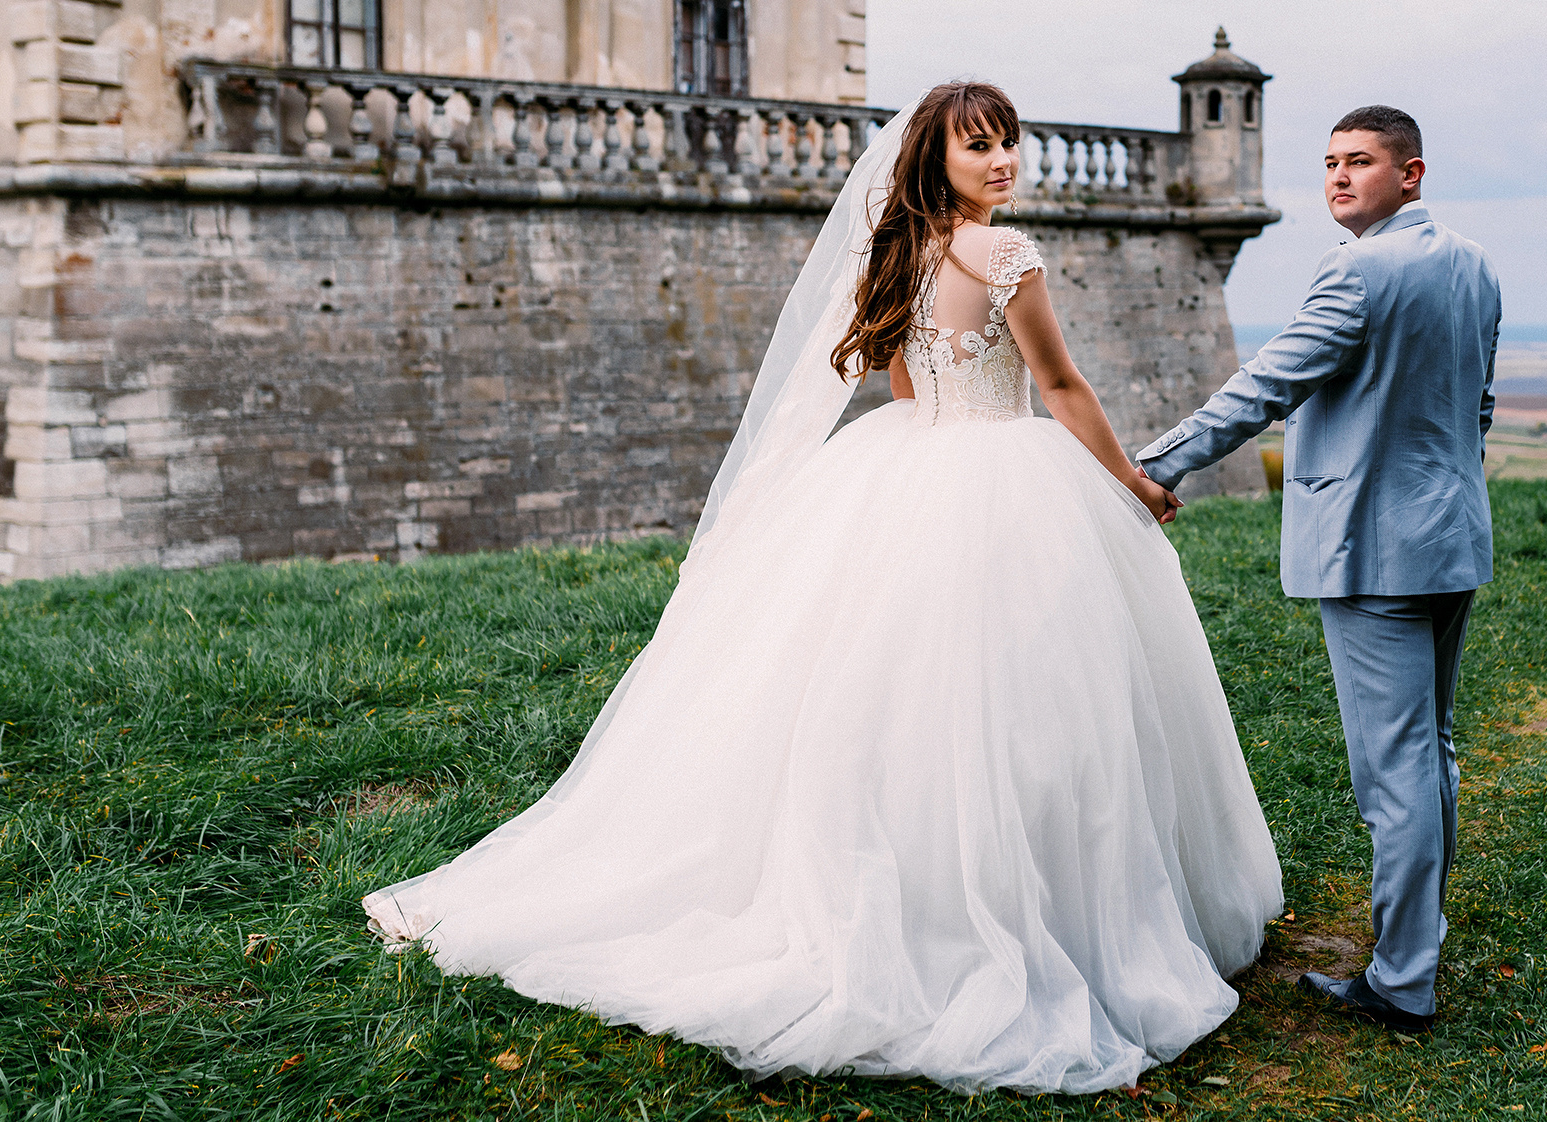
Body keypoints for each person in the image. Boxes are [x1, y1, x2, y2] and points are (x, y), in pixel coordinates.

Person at [363, 81, 1283, 1094]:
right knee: (1021, 705)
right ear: (937, 160)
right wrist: (1135, 484)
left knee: (887, 700)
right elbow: (1059, 387)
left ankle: (918, 894)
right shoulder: (1004, 254)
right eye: (978, 147)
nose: (1002, 160)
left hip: (903, 464)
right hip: (1000, 473)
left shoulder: (904, 255)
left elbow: (899, 384)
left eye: (1008, 141)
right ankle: (1024, 912)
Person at [1136, 105, 1500, 1035]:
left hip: (1375, 551)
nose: (1339, 179)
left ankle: (1402, 978)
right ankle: (1414, 949)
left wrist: (1151, 465)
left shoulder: (1359, 270)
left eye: (1362, 163)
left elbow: (1265, 384)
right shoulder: (1473, 264)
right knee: (1432, 753)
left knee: (1397, 771)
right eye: (1330, 164)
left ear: (1411, 173)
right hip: (1452, 538)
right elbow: (1478, 405)